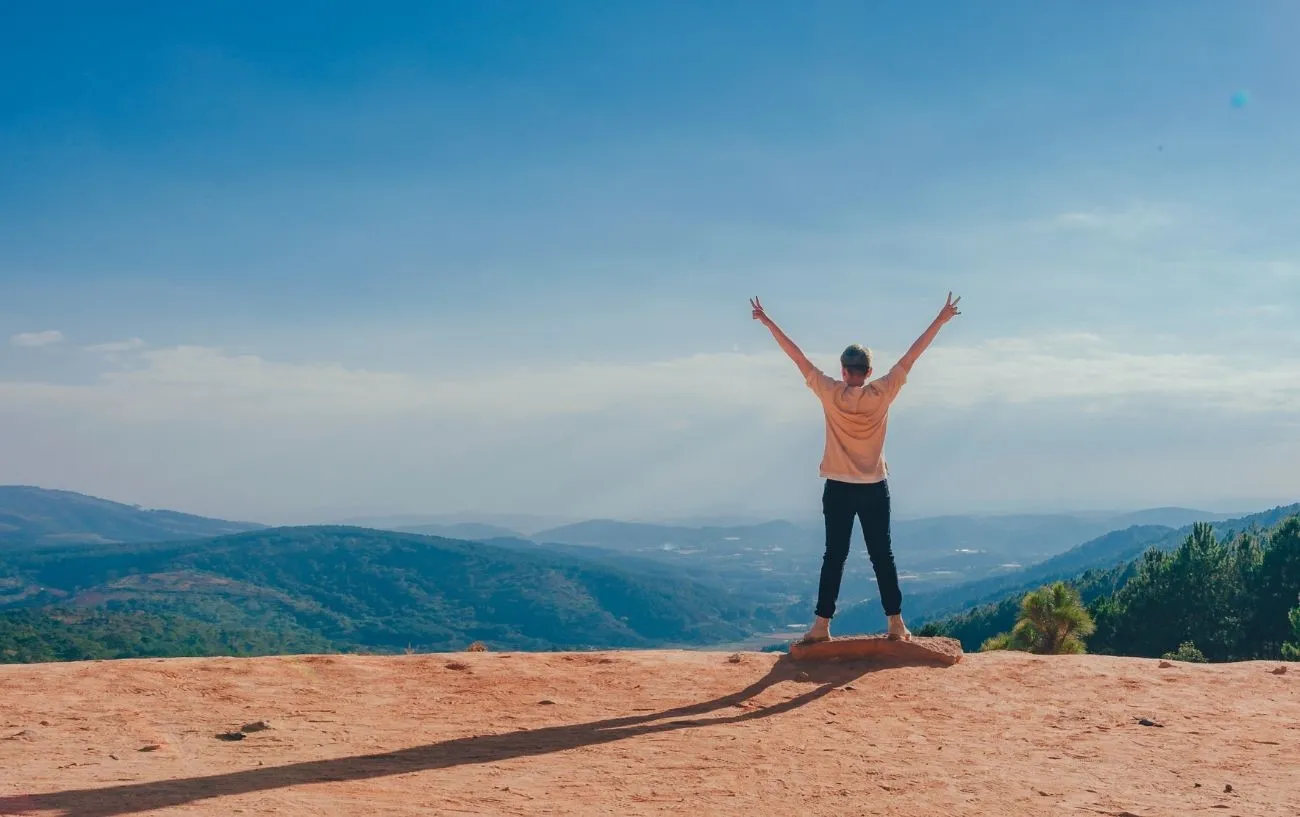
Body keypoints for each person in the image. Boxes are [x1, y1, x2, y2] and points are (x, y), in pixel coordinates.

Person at [750, 292, 962, 643]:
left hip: (838, 487)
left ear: (844, 371)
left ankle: (822, 625)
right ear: (869, 372)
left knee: (834, 555)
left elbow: (797, 357)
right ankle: (896, 623)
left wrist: (768, 322)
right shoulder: (883, 392)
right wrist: (940, 319)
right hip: (875, 486)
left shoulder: (830, 392)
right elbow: (913, 355)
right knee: (883, 555)